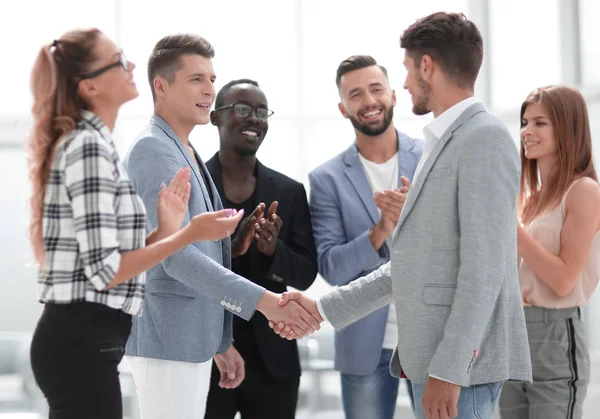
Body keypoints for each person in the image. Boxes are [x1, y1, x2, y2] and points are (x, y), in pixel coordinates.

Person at [273, 12, 533, 419]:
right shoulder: (444, 141)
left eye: (408, 70)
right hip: (432, 362)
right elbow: (412, 267)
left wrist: (448, 370)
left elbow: (484, 270)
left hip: (459, 370)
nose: (407, 83)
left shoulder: (483, 138)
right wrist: (321, 309)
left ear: (426, 65)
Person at [26, 28, 243, 419]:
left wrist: (165, 230)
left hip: (93, 335)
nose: (130, 65)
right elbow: (107, 270)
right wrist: (186, 235)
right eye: (117, 60)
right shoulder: (91, 147)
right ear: (90, 86)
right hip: (80, 336)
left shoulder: (99, 144)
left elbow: (117, 255)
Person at [122, 35, 320, 419]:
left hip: (190, 340)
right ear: (161, 86)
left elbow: (194, 249)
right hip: (168, 341)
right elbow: (175, 257)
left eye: (212, 79)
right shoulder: (154, 150)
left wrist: (220, 340)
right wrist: (265, 301)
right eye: (196, 79)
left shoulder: (184, 149)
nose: (209, 89)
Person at [307, 55, 421, 419]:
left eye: (376, 89)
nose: (369, 101)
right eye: (356, 94)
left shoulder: (432, 157)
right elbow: (332, 268)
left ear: (392, 95)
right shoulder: (326, 179)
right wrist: (380, 231)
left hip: (431, 337)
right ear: (343, 108)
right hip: (364, 344)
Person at [203, 79, 318, 419]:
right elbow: (183, 267)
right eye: (241, 109)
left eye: (260, 111)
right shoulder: (195, 185)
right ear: (215, 118)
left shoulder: (289, 191)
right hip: (208, 354)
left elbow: (306, 273)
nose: (253, 118)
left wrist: (273, 251)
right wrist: (231, 251)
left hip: (274, 361)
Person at [498, 86, 600, 419]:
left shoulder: (583, 191)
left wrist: (511, 230)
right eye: (525, 122)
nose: (527, 131)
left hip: (554, 335)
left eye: (540, 123)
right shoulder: (528, 199)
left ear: (567, 128)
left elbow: (564, 281)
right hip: (512, 331)